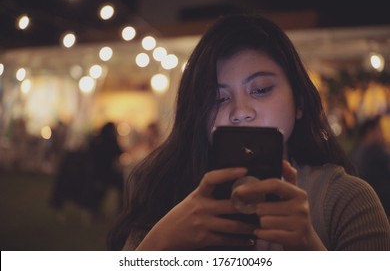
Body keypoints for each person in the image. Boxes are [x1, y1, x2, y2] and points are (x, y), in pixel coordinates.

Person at [108, 13, 390, 251]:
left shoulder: (343, 199)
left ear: (299, 103)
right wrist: (158, 244)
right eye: (219, 98)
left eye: (261, 89)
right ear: (198, 115)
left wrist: (309, 246)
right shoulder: (166, 192)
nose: (240, 111)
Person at [352, 115, 390, 218]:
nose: (382, 133)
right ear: (370, 131)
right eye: (379, 129)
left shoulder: (357, 151)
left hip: (369, 202)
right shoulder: (375, 149)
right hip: (385, 202)